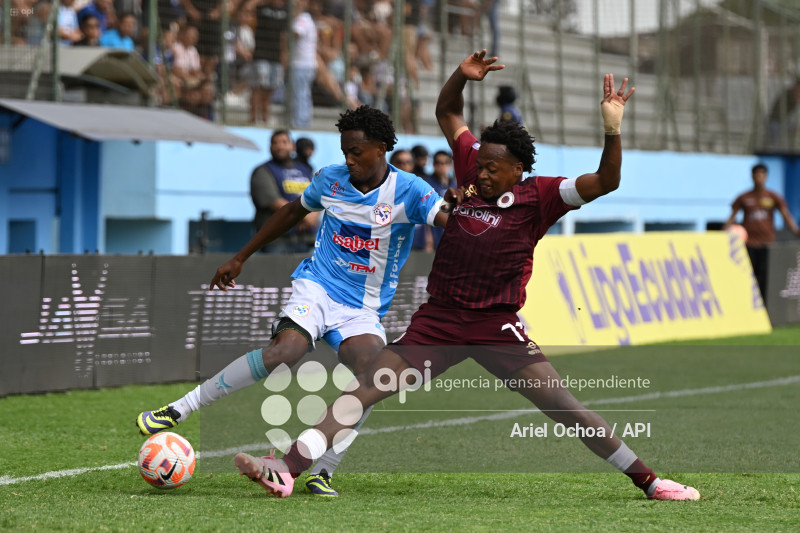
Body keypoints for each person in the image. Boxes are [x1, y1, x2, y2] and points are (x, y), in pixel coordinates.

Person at [232, 50, 700, 503]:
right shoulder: (471, 166)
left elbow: (606, 181)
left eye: (494, 169)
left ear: (519, 169)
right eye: (480, 165)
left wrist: (611, 130)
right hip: (440, 320)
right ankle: (289, 470)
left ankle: (650, 482)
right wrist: (460, 74)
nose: (482, 174)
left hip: (496, 325)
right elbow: (448, 110)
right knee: (366, 387)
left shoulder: (544, 195)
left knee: (564, 408)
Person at [135, 106, 449, 498]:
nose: (348, 160)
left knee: (374, 373)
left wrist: (470, 217)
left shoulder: (412, 191)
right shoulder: (330, 180)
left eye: (357, 152)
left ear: (382, 147)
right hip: (317, 286)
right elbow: (290, 211)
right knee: (285, 351)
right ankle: (178, 409)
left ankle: (324, 471)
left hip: (363, 308)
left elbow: (449, 221)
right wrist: (240, 256)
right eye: (345, 151)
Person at [723, 163, 800, 298]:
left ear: (766, 177)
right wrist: (723, 232)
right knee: (748, 273)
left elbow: (785, 215)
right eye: (756, 174)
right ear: (752, 176)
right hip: (749, 243)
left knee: (765, 275)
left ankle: (764, 304)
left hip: (767, 243)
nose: (759, 177)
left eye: (762, 174)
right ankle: (747, 300)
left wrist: (795, 230)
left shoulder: (773, 197)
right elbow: (732, 216)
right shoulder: (744, 197)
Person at [250, 130, 317, 254]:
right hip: (277, 241)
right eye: (275, 143)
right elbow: (275, 202)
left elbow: (317, 196)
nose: (279, 146)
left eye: (284, 142)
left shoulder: (305, 169)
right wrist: (303, 216)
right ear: (270, 147)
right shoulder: (262, 171)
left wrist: (312, 215)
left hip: (307, 240)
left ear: (293, 146)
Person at [412, 150, 453, 251]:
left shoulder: (454, 185)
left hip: (449, 235)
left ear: (450, 164)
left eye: (445, 162)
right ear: (433, 164)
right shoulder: (426, 184)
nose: (442, 166)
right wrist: (427, 237)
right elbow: (422, 211)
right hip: (431, 235)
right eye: (438, 162)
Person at [290, 0, 318, 128]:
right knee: (304, 93)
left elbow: (296, 33)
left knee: (300, 93)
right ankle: (304, 120)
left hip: (301, 64)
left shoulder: (302, 19)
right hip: (307, 64)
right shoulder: (308, 19)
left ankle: (301, 122)